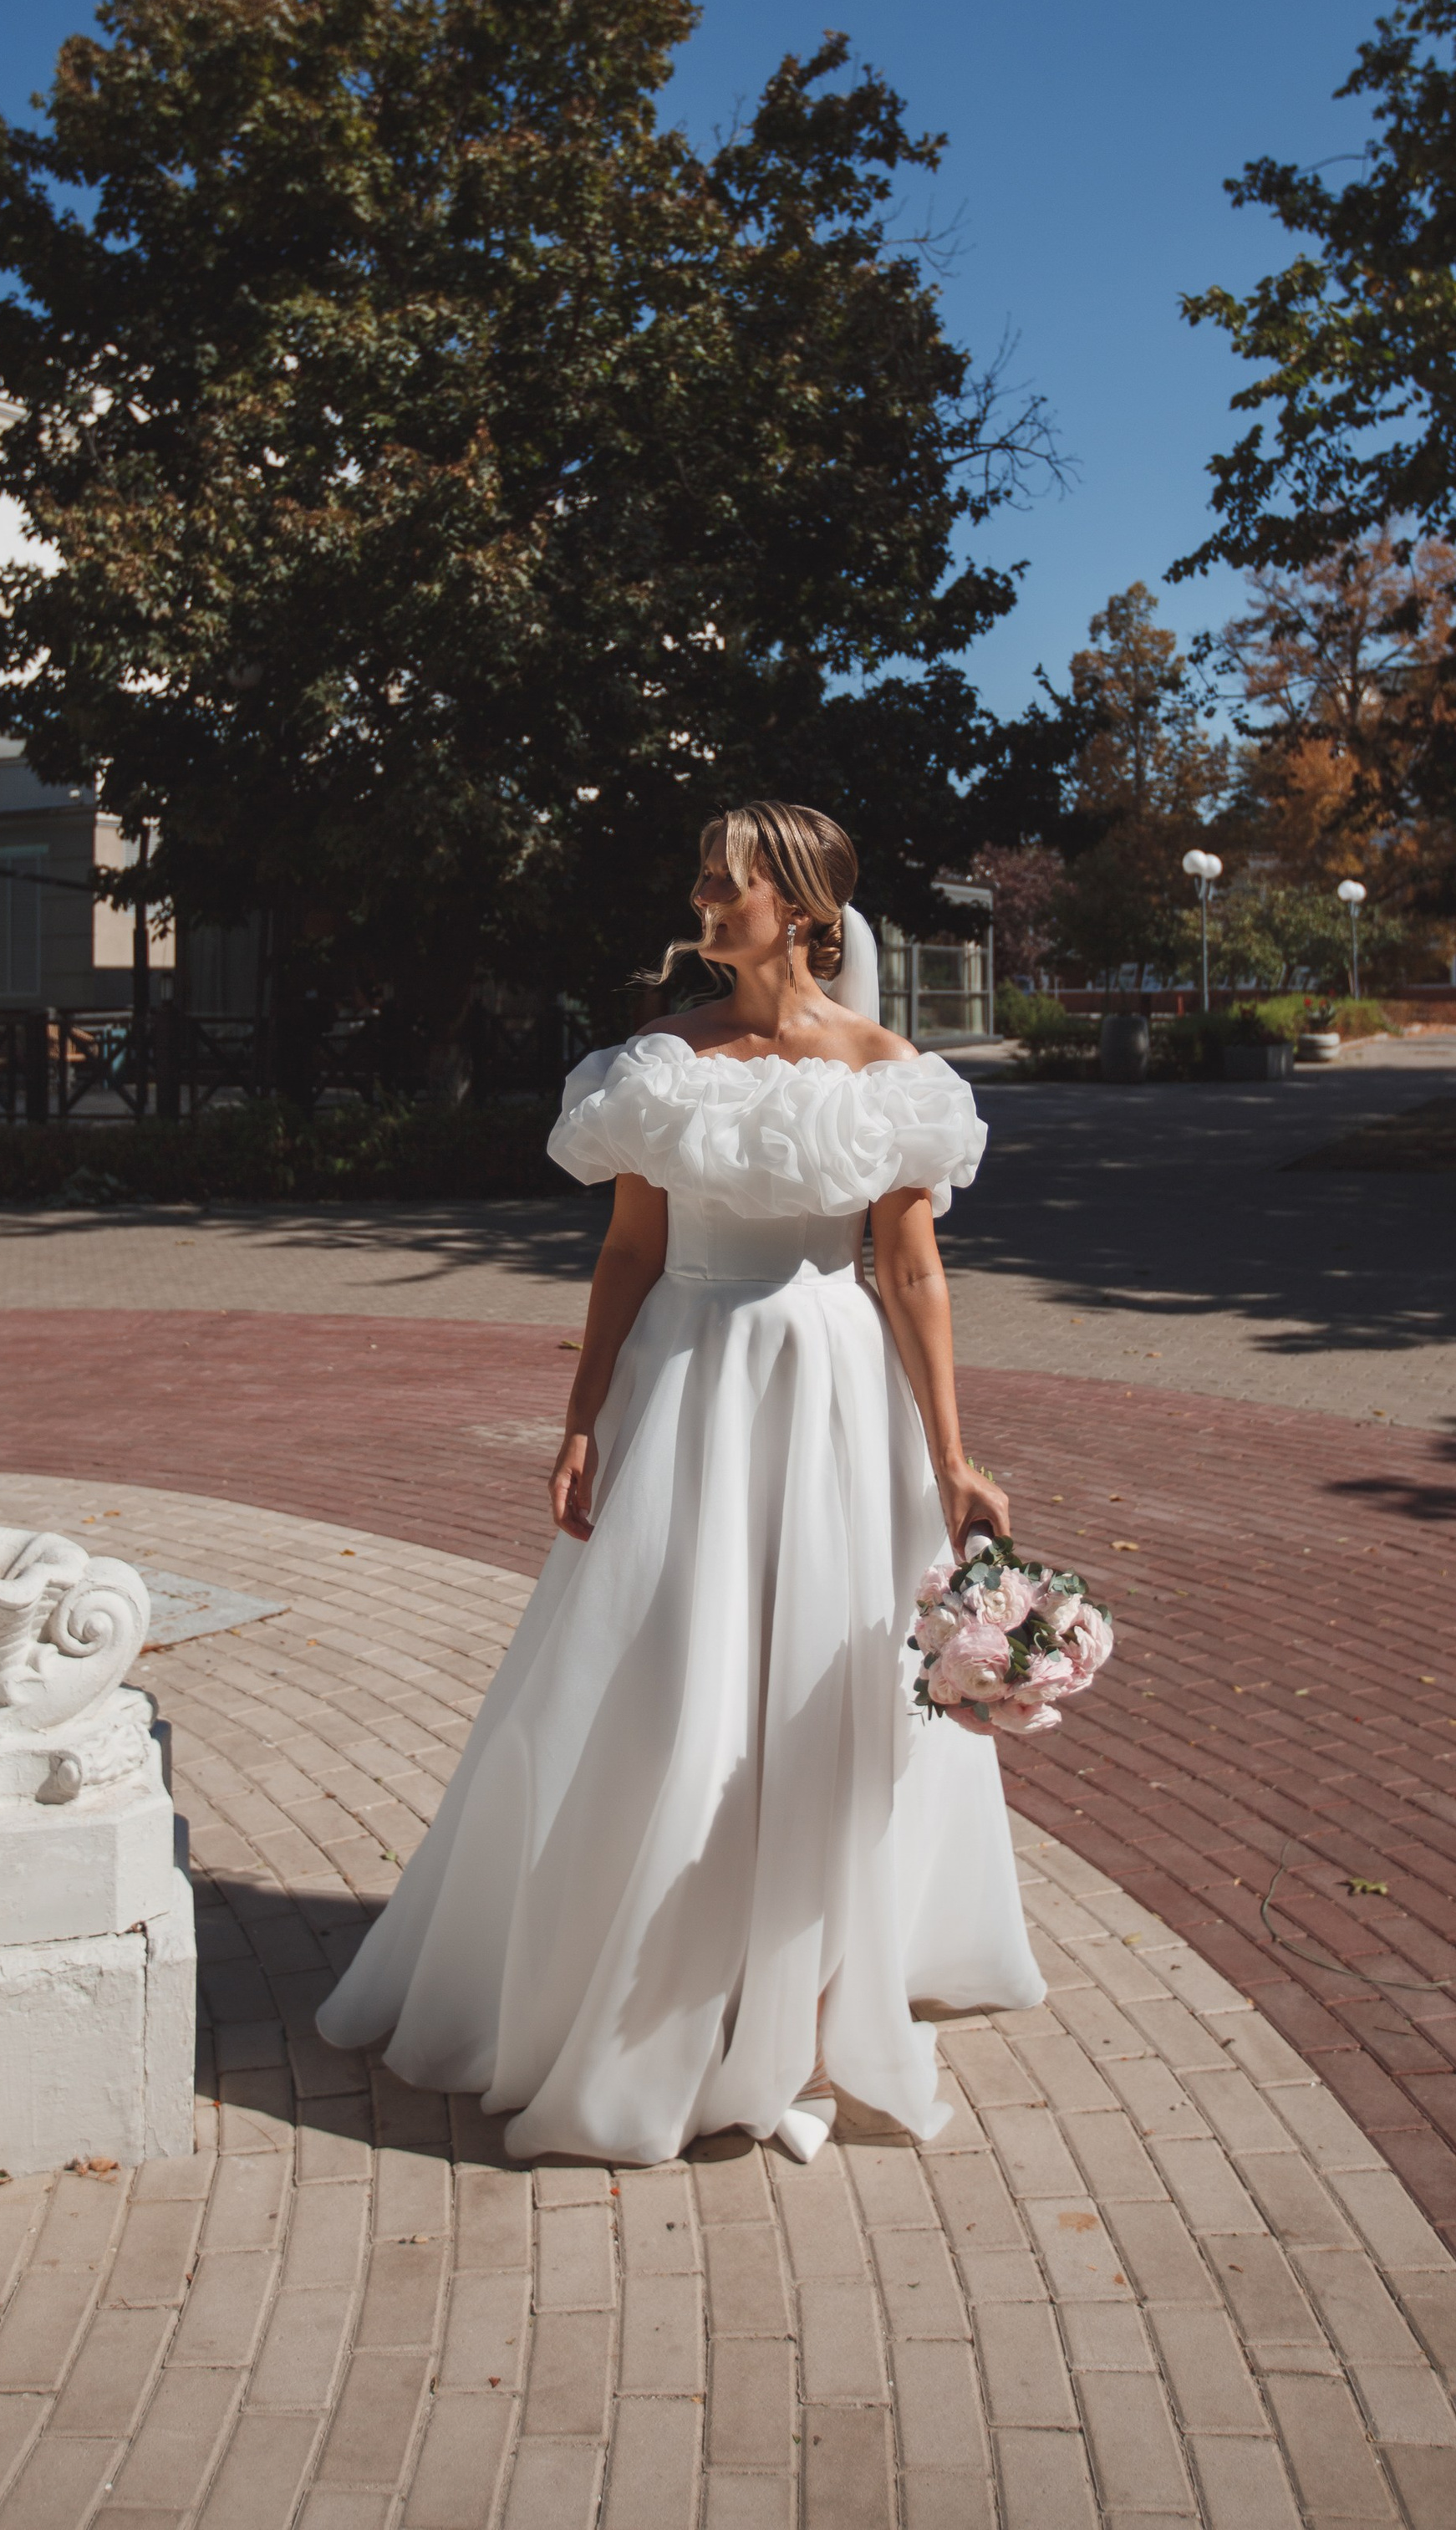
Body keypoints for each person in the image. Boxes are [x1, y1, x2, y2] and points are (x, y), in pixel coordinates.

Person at [316, 800, 1045, 2162]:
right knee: (661, 1673)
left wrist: (953, 1459)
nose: (705, 899)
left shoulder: (887, 1073)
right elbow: (628, 1255)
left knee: (827, 1683)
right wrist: (581, 1418)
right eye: (704, 877)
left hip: (834, 1397)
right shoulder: (659, 1062)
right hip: (687, 1385)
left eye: (730, 882)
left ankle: (808, 1990)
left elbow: (912, 1275)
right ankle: (647, 1988)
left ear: (803, 910)